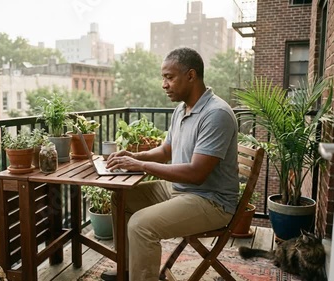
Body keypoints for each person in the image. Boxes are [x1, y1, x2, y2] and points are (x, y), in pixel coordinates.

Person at [100, 47, 239, 281]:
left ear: (191, 76)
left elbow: (196, 174)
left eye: (169, 77)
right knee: (121, 199)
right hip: (181, 191)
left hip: (211, 201)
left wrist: (140, 166)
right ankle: (127, 268)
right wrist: (134, 156)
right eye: (163, 77)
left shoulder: (216, 114)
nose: (164, 84)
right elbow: (166, 150)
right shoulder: (181, 110)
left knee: (141, 225)